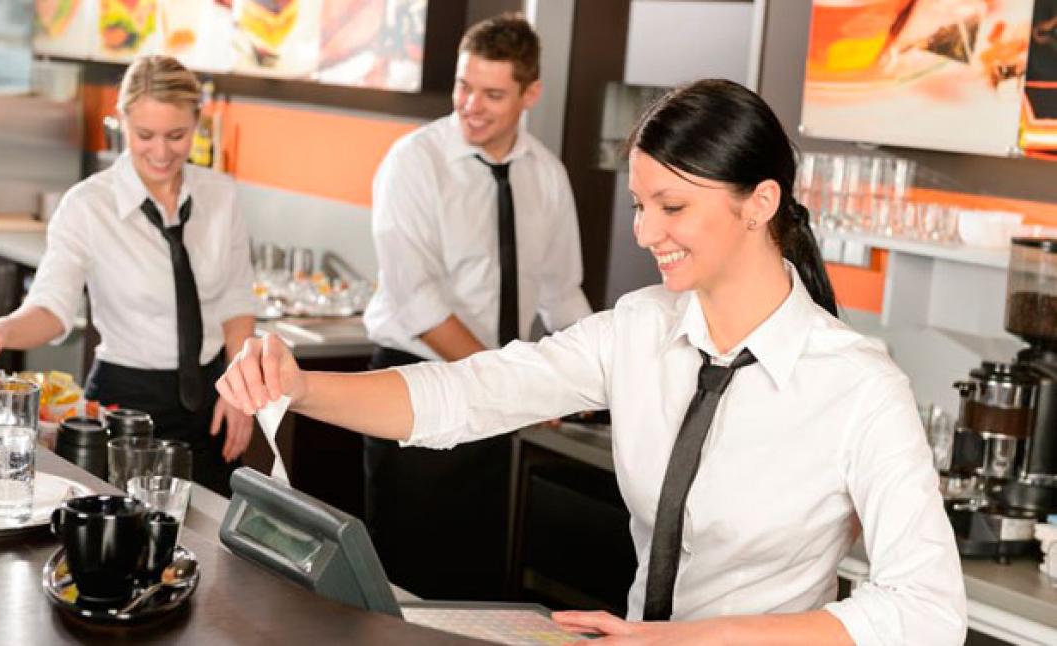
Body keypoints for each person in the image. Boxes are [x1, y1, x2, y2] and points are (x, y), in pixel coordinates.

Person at [217, 78, 967, 645]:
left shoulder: (859, 384)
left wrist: (684, 641)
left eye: (672, 206)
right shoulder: (638, 328)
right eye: (640, 205)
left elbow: (927, 609)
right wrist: (301, 386)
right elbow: (465, 395)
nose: (645, 232)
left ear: (760, 202)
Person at [358, 13, 591, 598]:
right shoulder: (414, 162)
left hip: (497, 398)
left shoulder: (547, 175)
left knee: (477, 585)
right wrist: (511, 386)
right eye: (464, 86)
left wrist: (601, 381)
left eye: (492, 94)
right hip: (417, 385)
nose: (471, 105)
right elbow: (418, 304)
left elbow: (562, 294)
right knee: (405, 584)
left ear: (530, 94)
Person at [0, 55, 256, 497]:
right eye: (145, 135)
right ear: (122, 122)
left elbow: (236, 300)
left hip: (213, 403)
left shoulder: (221, 196)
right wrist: (2, 330)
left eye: (176, 135)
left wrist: (240, 388)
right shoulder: (88, 205)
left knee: (213, 527)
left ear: (197, 122)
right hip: (123, 406)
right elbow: (52, 308)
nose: (161, 152)